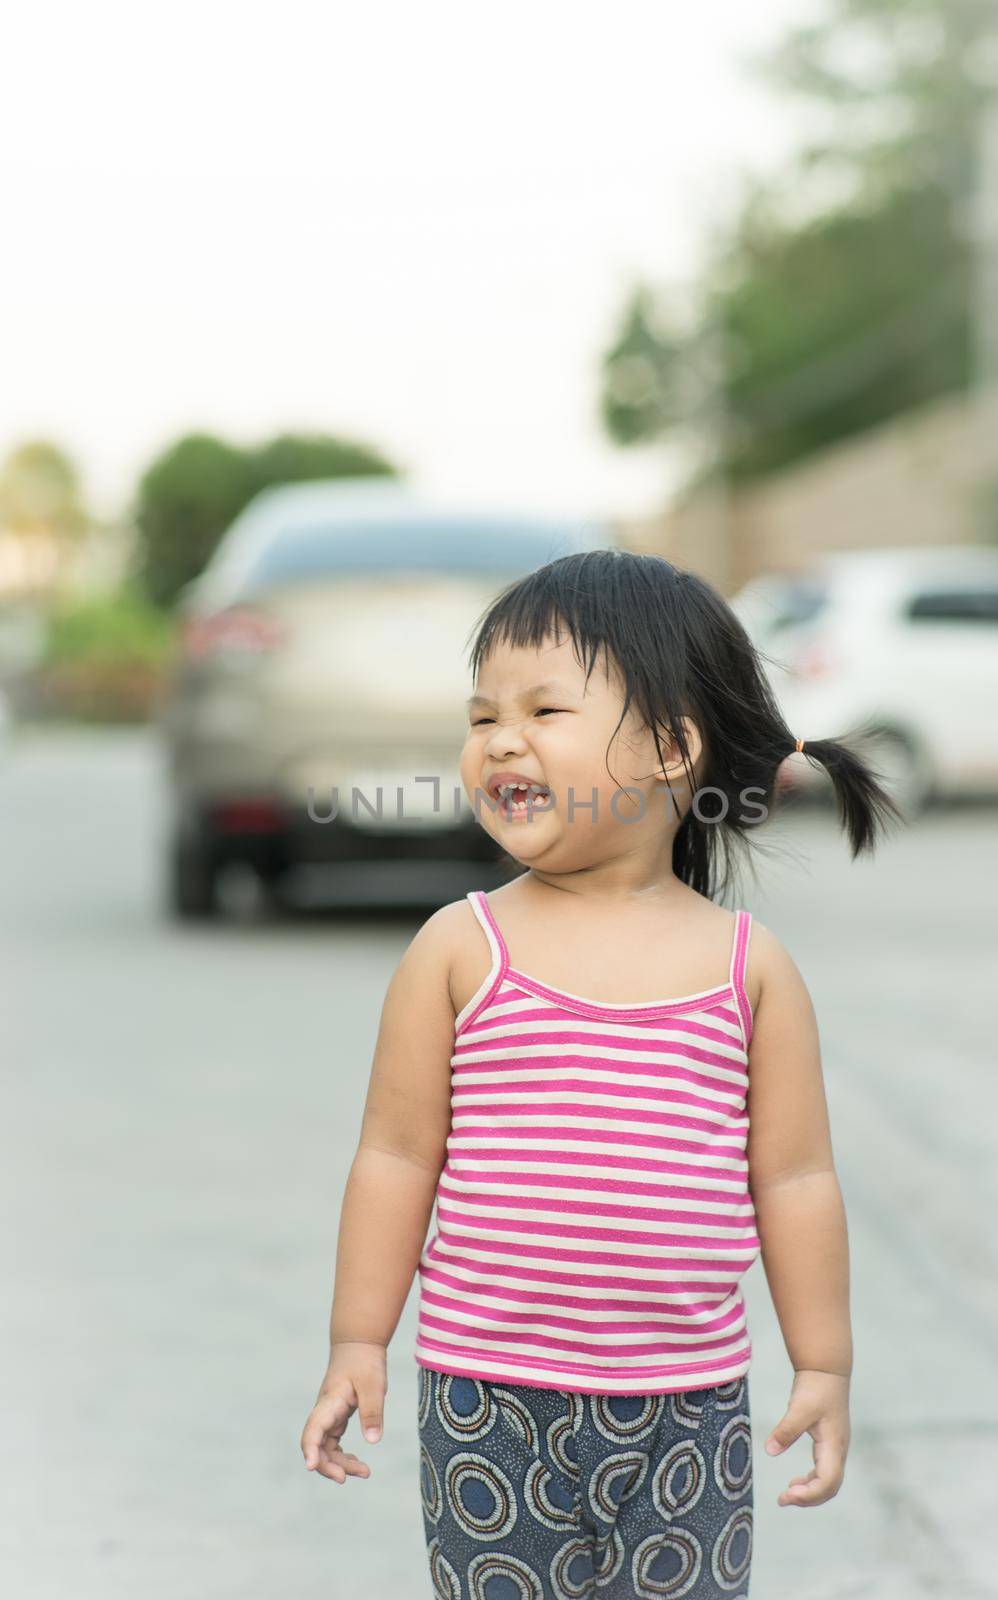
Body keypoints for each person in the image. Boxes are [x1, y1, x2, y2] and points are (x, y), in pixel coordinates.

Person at [300, 548, 901, 1598]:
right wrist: (359, 1336)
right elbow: (394, 1156)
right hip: (487, 1394)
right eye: (482, 716)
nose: (499, 742)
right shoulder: (459, 948)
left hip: (687, 1401)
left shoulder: (745, 968)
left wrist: (822, 1360)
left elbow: (796, 1180)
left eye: (543, 710)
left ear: (670, 747)